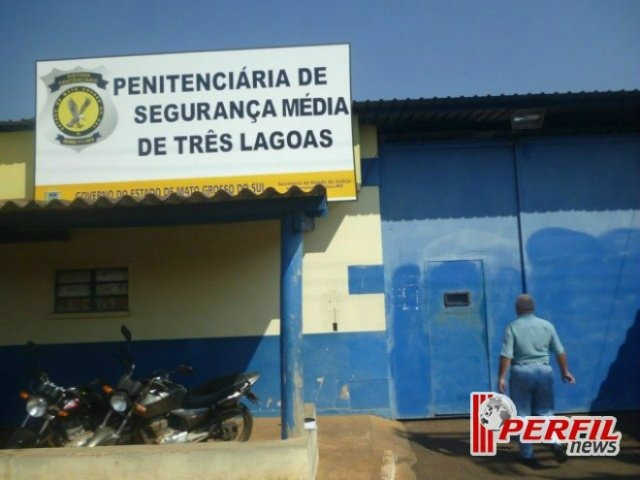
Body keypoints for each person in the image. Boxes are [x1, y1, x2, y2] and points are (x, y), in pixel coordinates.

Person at [498, 293, 576, 468]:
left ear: (517, 308)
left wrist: (502, 377)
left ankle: (527, 455)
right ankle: (555, 442)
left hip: (521, 372)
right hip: (544, 371)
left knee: (523, 415)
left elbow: (506, 355)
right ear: (533, 307)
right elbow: (560, 351)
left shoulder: (512, 327)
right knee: (545, 411)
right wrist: (565, 371)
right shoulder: (547, 326)